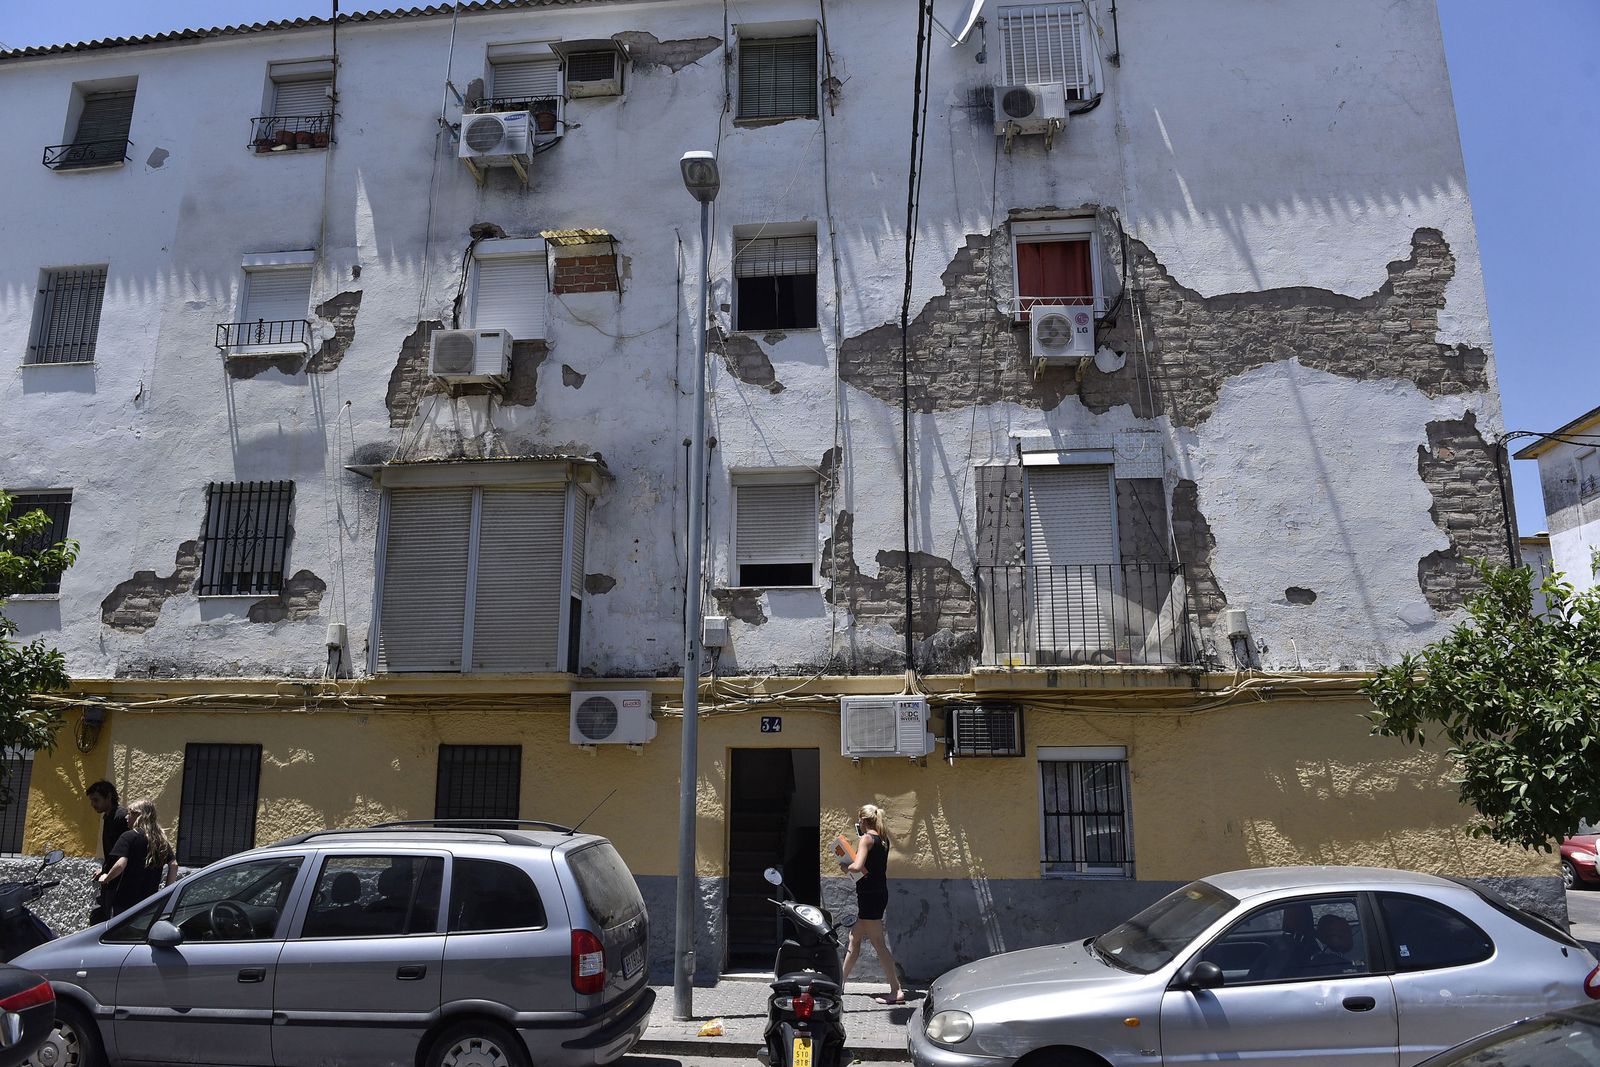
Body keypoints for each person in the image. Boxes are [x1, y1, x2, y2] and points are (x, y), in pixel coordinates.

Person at [839, 804, 905, 1004]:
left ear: (863, 820)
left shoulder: (866, 839)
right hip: (876, 893)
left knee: (878, 943)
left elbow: (857, 866)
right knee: (854, 938)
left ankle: (896, 990)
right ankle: (839, 984)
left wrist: (845, 866)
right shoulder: (883, 840)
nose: (858, 823)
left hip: (869, 896)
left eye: (859, 820)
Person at [97, 798, 179, 917]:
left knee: (119, 935)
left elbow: (121, 864)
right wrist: (167, 892)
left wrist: (106, 878)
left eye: (130, 813)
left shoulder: (128, 837)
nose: (126, 817)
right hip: (149, 903)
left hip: (124, 904)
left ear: (138, 816)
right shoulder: (160, 840)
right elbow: (174, 865)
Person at [85, 780, 128, 923]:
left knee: (111, 921)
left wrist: (108, 873)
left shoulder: (121, 817)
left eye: (96, 800)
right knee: (98, 918)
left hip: (119, 881)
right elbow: (112, 852)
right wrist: (103, 870)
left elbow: (123, 853)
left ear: (109, 797)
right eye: (92, 800)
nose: (93, 804)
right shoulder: (108, 817)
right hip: (109, 878)